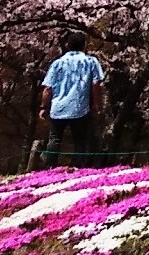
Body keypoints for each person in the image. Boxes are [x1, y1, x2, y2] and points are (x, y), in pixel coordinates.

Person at [37, 29, 105, 167]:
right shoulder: (90, 62)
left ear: (68, 45)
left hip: (58, 107)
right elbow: (96, 83)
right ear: (84, 45)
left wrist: (44, 107)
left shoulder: (57, 63)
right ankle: (77, 167)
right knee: (80, 140)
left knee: (55, 139)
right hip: (79, 107)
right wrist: (97, 104)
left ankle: (49, 167)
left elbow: (47, 88)